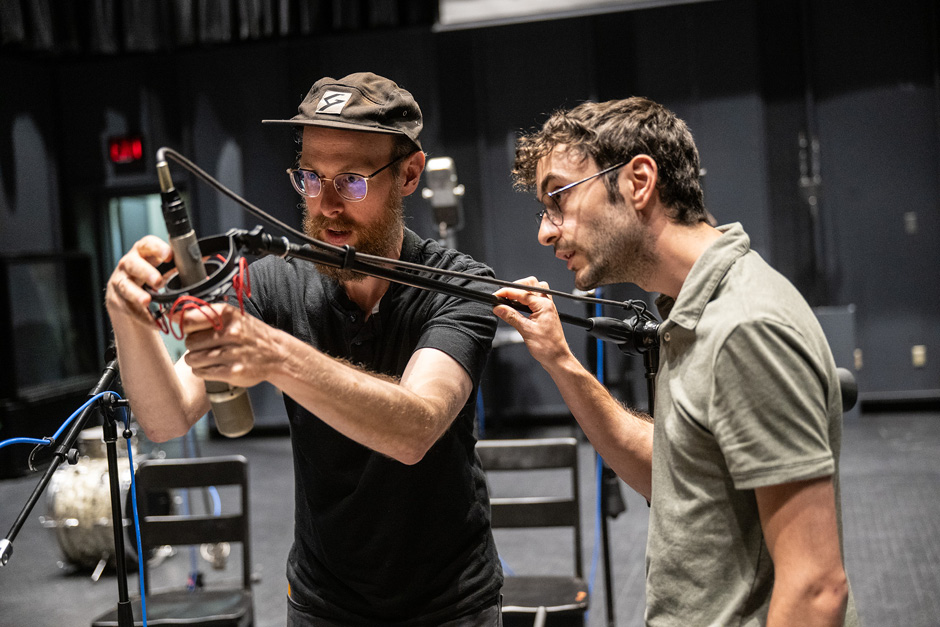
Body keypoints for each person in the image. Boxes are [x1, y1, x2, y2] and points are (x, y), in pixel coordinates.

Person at [106, 72, 503, 625]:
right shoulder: (272, 283)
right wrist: (127, 315)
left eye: (353, 182)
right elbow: (168, 418)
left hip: (450, 602)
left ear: (410, 174)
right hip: (323, 602)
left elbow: (415, 429)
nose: (327, 204)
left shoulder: (458, 285)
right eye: (311, 179)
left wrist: (275, 356)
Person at [493, 97, 859, 626]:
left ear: (638, 181)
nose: (546, 232)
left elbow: (816, 587)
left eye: (560, 200)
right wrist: (559, 362)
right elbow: (674, 472)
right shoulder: (692, 310)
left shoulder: (744, 327)